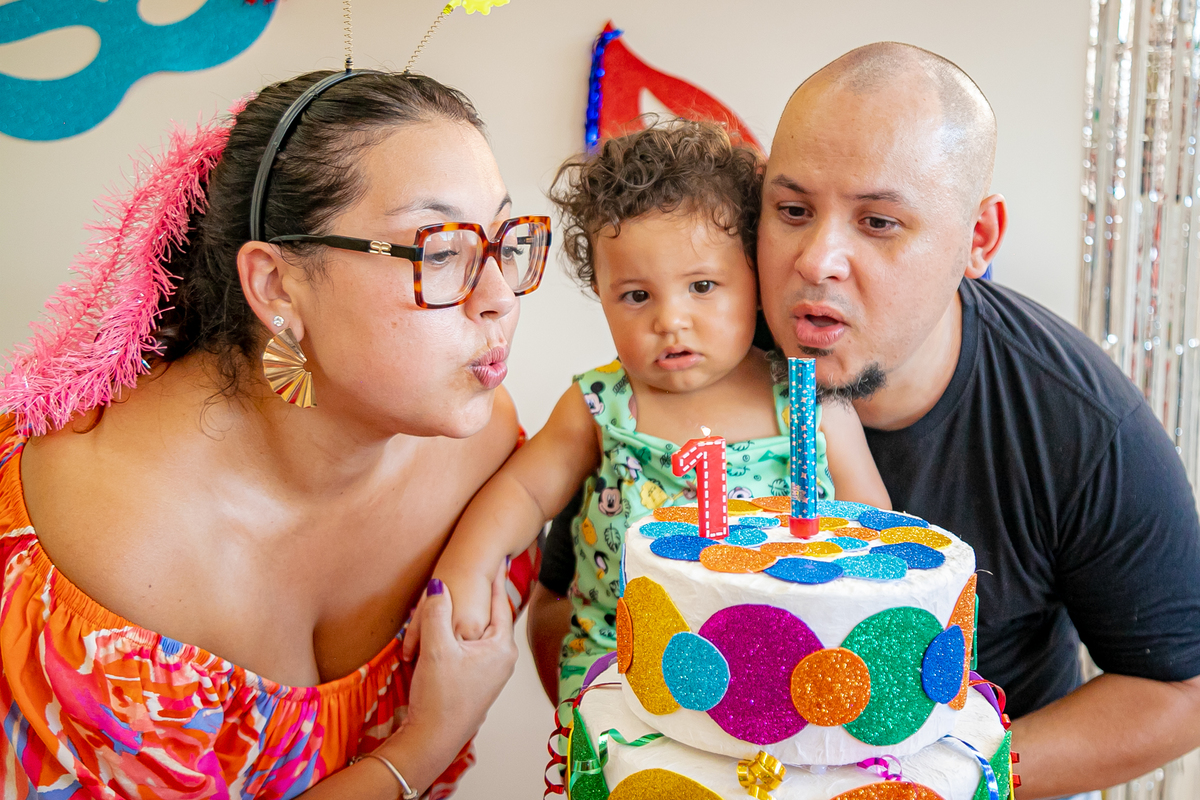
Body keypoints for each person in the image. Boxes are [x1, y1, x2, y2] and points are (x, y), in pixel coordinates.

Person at [531, 43, 1200, 799]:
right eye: (791, 211)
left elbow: (1181, 690)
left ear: (977, 239)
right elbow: (565, 599)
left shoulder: (1078, 423)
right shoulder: (700, 355)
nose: (818, 259)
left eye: (879, 221)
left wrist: (940, 781)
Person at [0, 69, 547, 799]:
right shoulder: (109, 551)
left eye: (504, 239)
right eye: (440, 251)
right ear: (277, 287)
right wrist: (424, 744)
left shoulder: (482, 450)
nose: (501, 299)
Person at [411, 120, 890, 712]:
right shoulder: (600, 405)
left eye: (703, 285)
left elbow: (874, 526)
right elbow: (524, 494)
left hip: (785, 677)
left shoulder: (809, 399)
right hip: (625, 675)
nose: (670, 320)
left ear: (757, 281)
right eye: (636, 296)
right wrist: (468, 562)